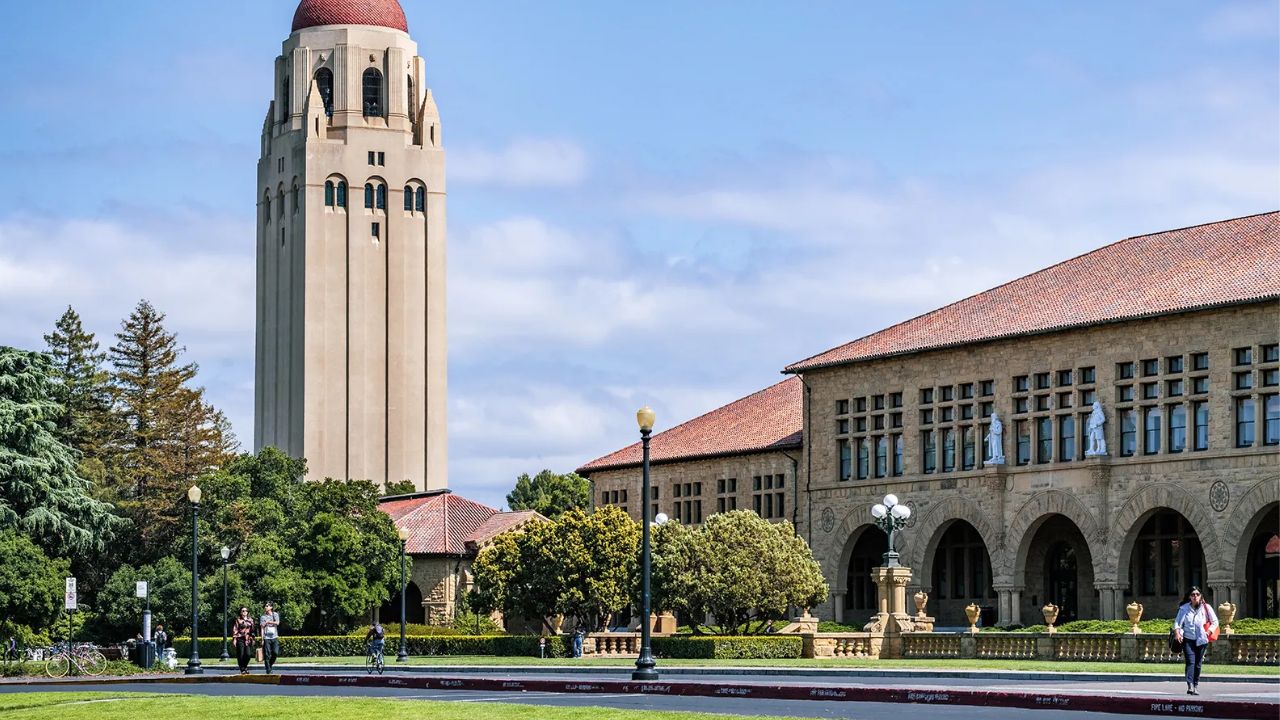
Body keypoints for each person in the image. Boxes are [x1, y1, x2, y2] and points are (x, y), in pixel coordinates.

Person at [1174, 586, 1218, 695]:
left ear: (1201, 596)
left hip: (1201, 640)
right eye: (1193, 594)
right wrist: (1177, 633)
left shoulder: (1206, 608)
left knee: (1198, 663)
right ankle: (1190, 685)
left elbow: (1215, 622)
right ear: (1189, 597)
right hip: (1188, 639)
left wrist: (1209, 632)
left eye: (1197, 594)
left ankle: (1196, 685)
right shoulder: (1184, 608)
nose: (1195, 596)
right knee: (1190, 662)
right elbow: (1177, 623)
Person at [232, 607, 256, 675]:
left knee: (248, 654)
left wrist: (253, 639)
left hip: (248, 639)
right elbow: (235, 629)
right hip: (240, 638)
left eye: (246, 611)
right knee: (241, 654)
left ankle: (245, 667)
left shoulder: (251, 620)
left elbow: (253, 630)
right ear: (240, 612)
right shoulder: (238, 620)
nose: (245, 612)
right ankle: (242, 669)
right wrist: (234, 639)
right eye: (243, 611)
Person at [259, 602, 281, 674]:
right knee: (267, 654)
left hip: (274, 637)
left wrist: (269, 622)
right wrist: (262, 639)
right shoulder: (263, 617)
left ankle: (269, 665)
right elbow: (262, 628)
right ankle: (268, 670)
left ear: (271, 607)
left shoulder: (275, 614)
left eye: (267, 606)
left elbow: (277, 623)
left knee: (275, 652)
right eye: (265, 606)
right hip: (266, 638)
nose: (265, 607)